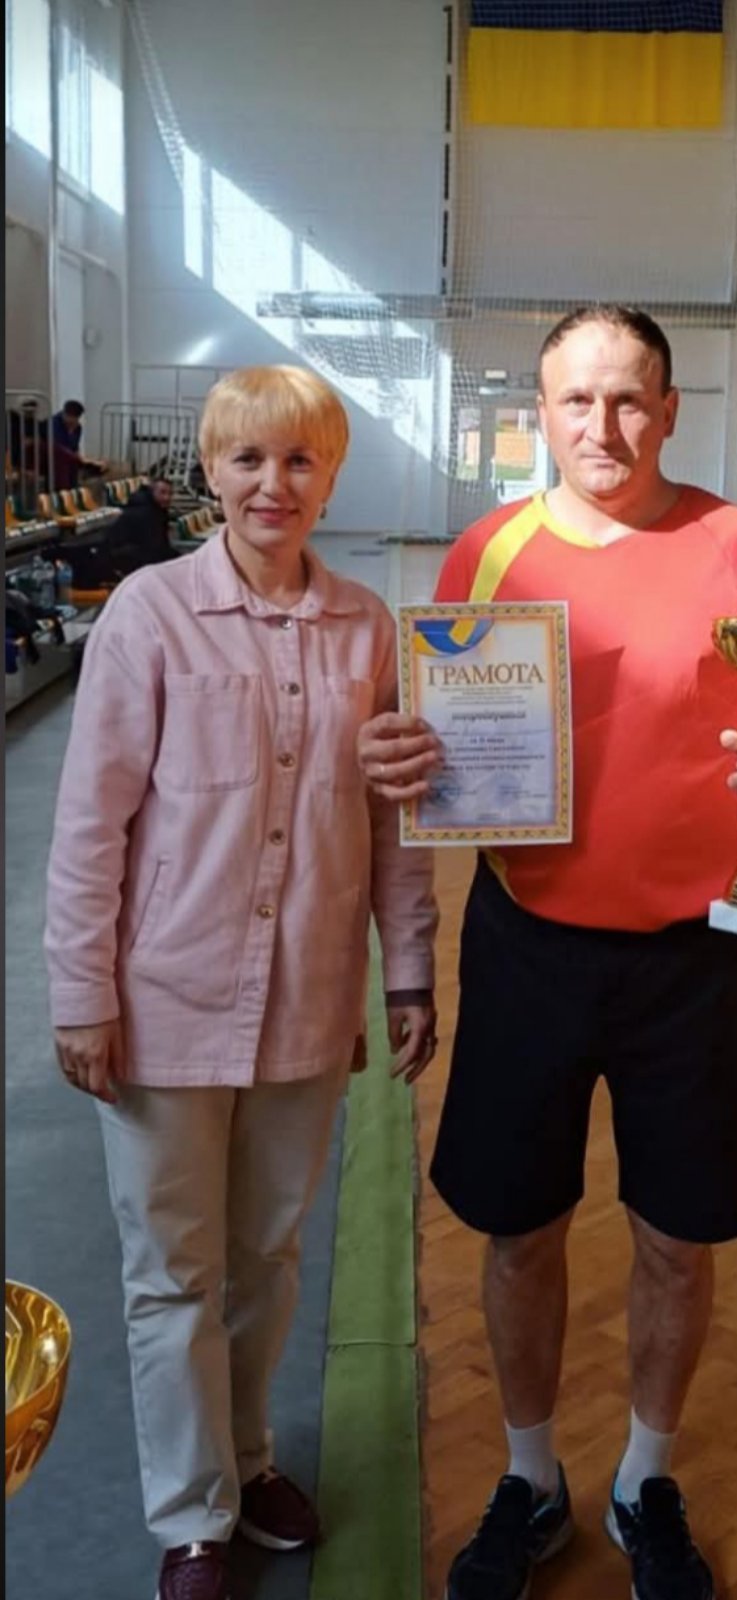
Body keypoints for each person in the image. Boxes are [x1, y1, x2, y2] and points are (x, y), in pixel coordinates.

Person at [356, 305, 737, 1600]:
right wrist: (405, 753)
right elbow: (436, 724)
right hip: (526, 947)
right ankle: (530, 1478)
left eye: (629, 399)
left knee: (677, 1239)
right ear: (541, 410)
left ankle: (643, 1479)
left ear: (670, 410)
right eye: (576, 400)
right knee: (519, 1231)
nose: (602, 425)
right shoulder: (488, 550)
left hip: (692, 959)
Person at [44, 364, 439, 1600]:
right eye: (250, 459)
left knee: (267, 1255)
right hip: (164, 999)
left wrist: (407, 968)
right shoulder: (150, 614)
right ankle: (193, 1517)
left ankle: (251, 1454)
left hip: (306, 999)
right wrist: (82, 992)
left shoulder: (368, 628)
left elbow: (392, 821)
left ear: (332, 475)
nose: (275, 484)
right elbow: (91, 823)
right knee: (174, 1269)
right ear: (210, 472)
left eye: (301, 459)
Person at [106, 474, 179, 577]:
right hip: (124, 555)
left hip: (140, 551)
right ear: (152, 492)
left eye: (170, 494)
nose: (167, 497)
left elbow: (161, 543)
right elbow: (152, 546)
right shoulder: (145, 512)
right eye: (162, 492)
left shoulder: (159, 510)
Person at [51, 399, 106, 488]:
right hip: (54, 457)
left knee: (99, 468)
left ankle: (76, 488)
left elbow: (75, 448)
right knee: (64, 466)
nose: (72, 421)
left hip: (69, 457)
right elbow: (58, 447)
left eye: (75, 418)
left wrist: (87, 461)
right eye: (70, 417)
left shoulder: (77, 428)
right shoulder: (54, 424)